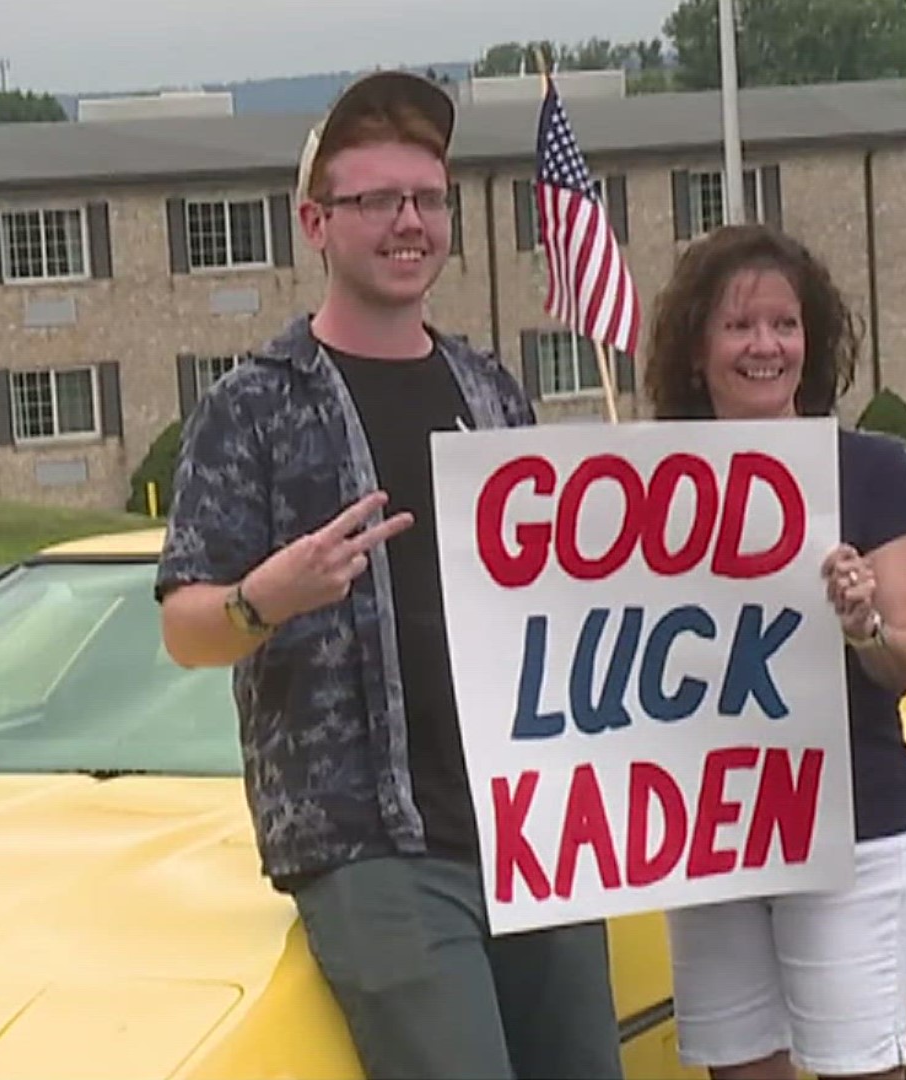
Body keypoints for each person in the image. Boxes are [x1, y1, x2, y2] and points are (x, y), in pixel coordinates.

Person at [154, 70, 624, 1080]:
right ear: (315, 221)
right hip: (373, 849)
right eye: (379, 202)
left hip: (531, 824)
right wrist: (266, 597)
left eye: (428, 199)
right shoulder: (255, 409)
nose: (410, 223)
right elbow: (187, 628)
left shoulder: (490, 392)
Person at [642, 223, 906, 1080]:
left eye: (784, 324)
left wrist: (862, 627)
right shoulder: (646, 487)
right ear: (697, 351)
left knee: (859, 1067)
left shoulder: (873, 473)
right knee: (738, 1069)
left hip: (850, 829)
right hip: (707, 830)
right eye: (739, 327)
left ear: (812, 343)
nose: (764, 345)